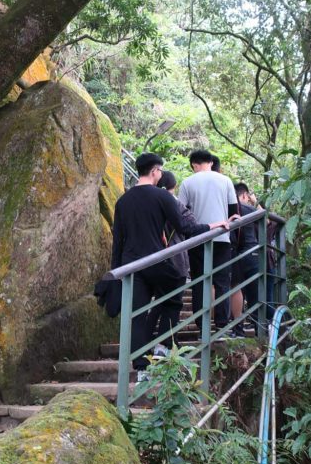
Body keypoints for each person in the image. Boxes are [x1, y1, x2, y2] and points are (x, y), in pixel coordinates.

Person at [111, 153, 229, 380]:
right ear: (155, 171)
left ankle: (141, 368)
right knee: (174, 298)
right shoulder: (161, 197)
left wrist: (115, 272)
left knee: (137, 315)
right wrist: (215, 224)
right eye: (160, 171)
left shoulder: (122, 201)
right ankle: (164, 346)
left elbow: (118, 241)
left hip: (130, 265)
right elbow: (186, 226)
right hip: (155, 260)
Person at [178, 149, 239, 336]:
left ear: (194, 165)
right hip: (222, 237)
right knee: (221, 282)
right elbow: (233, 211)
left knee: (199, 283)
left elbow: (181, 213)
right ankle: (221, 325)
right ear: (211, 162)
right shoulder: (226, 180)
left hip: (197, 239)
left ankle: (201, 325)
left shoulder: (187, 183)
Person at [149, 170, 197, 347]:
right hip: (176, 259)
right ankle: (168, 342)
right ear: (173, 186)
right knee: (174, 303)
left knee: (160, 302)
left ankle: (147, 340)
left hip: (155, 259)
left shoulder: (150, 203)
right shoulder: (174, 204)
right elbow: (190, 224)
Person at [230, 183, 261, 336]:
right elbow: (266, 221)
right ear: (243, 195)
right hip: (253, 253)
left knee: (236, 289)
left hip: (237, 254)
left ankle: (238, 328)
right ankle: (258, 329)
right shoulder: (249, 209)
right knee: (254, 295)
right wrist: (255, 204)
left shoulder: (231, 210)